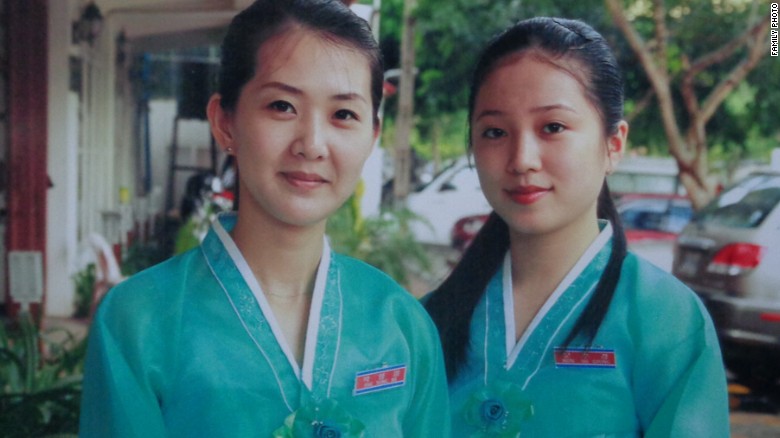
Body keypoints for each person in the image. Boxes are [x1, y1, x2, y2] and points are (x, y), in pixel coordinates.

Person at [79, 1, 450, 436]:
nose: (312, 144)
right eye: (282, 106)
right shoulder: (138, 321)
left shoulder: (401, 325)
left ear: (371, 137)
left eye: (343, 114)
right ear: (225, 122)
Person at [424, 17, 729, 437]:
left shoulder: (667, 320)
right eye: (495, 131)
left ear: (613, 145)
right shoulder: (427, 322)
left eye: (553, 127)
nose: (522, 159)